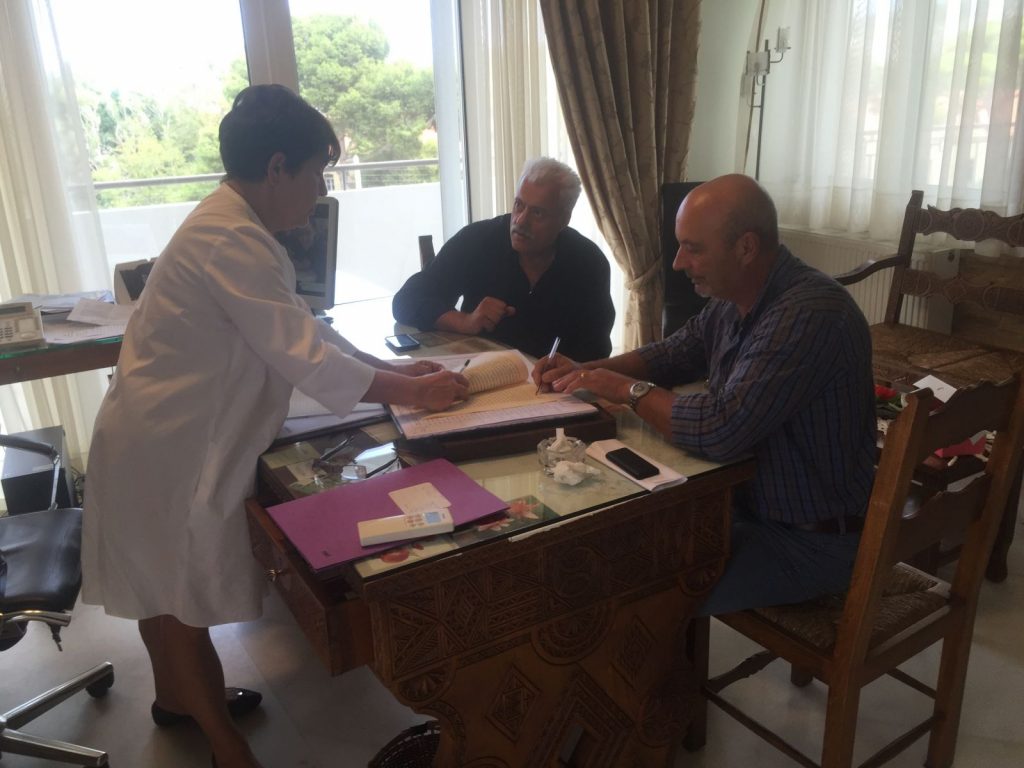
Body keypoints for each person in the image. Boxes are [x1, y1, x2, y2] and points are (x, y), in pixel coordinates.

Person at [81, 85, 468, 768]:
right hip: (164, 447)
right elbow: (308, 357)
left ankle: (178, 700)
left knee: (158, 590)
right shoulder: (231, 237)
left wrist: (393, 369)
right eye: (317, 173)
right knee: (175, 603)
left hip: (152, 434)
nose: (319, 192)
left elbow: (304, 328)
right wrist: (415, 392)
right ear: (279, 167)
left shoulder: (233, 225)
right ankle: (227, 749)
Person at [533, 174, 876, 616]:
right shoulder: (737, 297)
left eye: (692, 248)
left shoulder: (809, 313)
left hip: (810, 542)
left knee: (636, 594)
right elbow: (672, 355)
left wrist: (622, 389)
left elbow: (720, 427)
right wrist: (585, 371)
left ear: (746, 247)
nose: (678, 263)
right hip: (745, 507)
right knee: (615, 550)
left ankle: (656, 656)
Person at [392, 157, 615, 361]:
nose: (521, 221)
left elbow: (595, 350)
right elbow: (406, 300)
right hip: (480, 371)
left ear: (564, 220)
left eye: (537, 213)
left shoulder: (588, 263)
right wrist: (465, 322)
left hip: (550, 383)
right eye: (519, 205)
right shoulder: (478, 240)